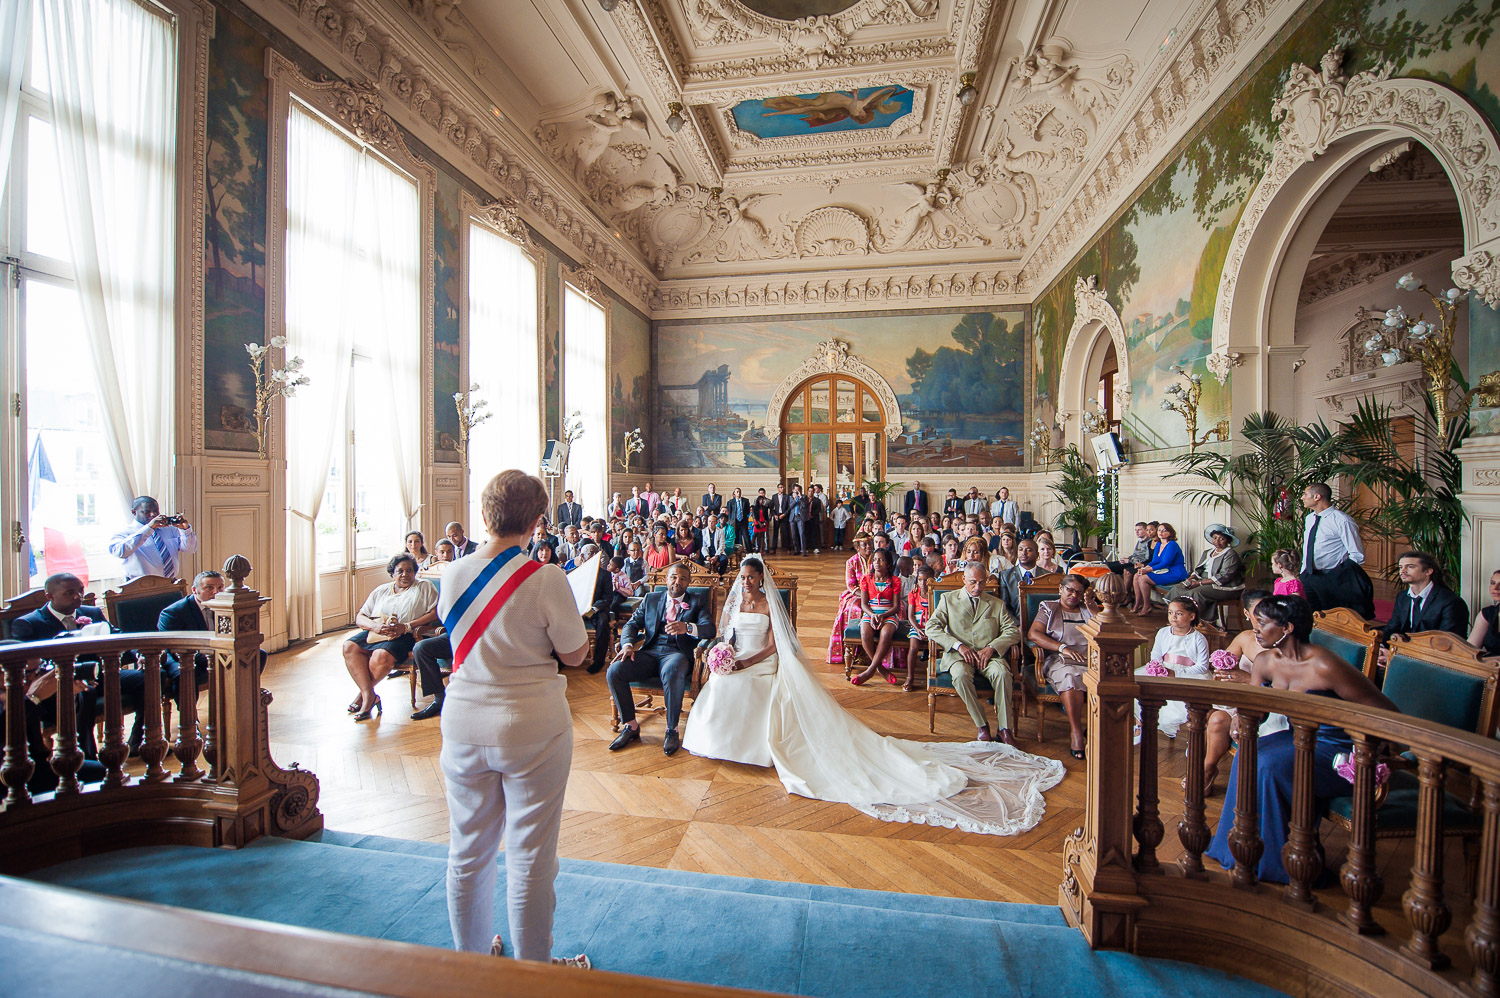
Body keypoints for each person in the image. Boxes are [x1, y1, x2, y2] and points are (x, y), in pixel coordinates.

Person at [682, 556, 1063, 833]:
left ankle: (760, 746)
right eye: (744, 578)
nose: (746, 583)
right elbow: (725, 634)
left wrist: (748, 662)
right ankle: (723, 741)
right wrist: (724, 655)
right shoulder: (734, 603)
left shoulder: (769, 603)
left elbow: (776, 645)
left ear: (760, 579)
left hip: (762, 663)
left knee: (747, 683)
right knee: (720, 684)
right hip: (737, 660)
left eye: (752, 577)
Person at [435, 470, 590, 967]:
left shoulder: (452, 572)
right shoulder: (546, 578)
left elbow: (462, 638)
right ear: (538, 522)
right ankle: (534, 974)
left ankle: (473, 964)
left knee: (468, 851)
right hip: (532, 727)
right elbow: (575, 654)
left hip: (462, 720)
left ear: (484, 515)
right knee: (529, 856)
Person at [1205, 595, 1396, 884]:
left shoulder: (1324, 665)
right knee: (1249, 752)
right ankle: (1241, 850)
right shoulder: (1265, 660)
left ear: (1288, 628)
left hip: (1336, 750)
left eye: (1264, 623)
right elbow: (1254, 710)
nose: (1255, 629)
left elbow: (1386, 711)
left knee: (1269, 762)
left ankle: (1286, 862)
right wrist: (1238, 719)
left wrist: (1374, 750)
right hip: (1299, 739)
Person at [11, 572, 147, 757]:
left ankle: (138, 740)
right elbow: (28, 666)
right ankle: (86, 754)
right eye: (69, 592)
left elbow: (118, 635)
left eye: (80, 591)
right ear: (49, 596)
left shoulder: (92, 613)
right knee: (85, 691)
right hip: (58, 685)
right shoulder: (29, 623)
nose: (78, 596)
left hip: (100, 675)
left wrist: (138, 654)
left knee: (150, 676)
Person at [607, 562, 714, 757]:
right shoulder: (651, 598)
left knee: (672, 670)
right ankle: (630, 726)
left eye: (683, 578)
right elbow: (631, 625)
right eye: (673, 577)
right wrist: (628, 645)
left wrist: (688, 628)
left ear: (689, 582)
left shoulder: (697, 601)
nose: (677, 582)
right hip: (650, 653)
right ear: (666, 579)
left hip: (677, 654)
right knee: (615, 671)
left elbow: (709, 629)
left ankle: (671, 729)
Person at [1196, 589, 1281, 798]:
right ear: (1246, 614)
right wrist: (1223, 674)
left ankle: (1208, 771)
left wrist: (1246, 679)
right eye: (1258, 612)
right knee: (1216, 719)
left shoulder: (1281, 643)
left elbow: (1281, 685)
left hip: (1266, 701)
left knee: (1220, 719)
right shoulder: (1244, 638)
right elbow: (1223, 667)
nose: (1264, 618)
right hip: (1238, 697)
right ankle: (1208, 769)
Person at [927, 564, 1022, 743]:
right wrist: (958, 646)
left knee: (1002, 674)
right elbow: (931, 628)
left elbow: (1013, 632)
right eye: (973, 582)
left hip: (990, 656)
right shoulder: (948, 599)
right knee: (960, 676)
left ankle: (1004, 728)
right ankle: (982, 724)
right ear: (964, 579)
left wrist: (992, 647)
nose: (978, 587)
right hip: (960, 656)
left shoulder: (997, 604)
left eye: (982, 583)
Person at [342, 553, 439, 721]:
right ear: (392, 573)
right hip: (378, 632)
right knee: (349, 646)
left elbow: (435, 613)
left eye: (409, 570)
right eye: (400, 571)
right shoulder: (381, 590)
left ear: (414, 572)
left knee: (381, 655)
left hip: (406, 634)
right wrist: (376, 626)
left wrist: (407, 626)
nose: (404, 574)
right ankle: (368, 695)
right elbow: (361, 617)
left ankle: (365, 698)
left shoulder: (424, 586)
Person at [1028, 574, 1094, 759]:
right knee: (1070, 677)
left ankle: (1096, 727)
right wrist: (1062, 648)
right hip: (1059, 658)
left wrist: (1093, 609)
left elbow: (1105, 632)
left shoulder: (1087, 609)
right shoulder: (1049, 607)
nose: (1074, 595)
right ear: (1060, 589)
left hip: (1089, 659)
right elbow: (1033, 634)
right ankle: (1076, 732)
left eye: (1079, 593)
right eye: (1070, 590)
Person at [1298, 482, 1375, 618]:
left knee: (1333, 618)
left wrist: (1338, 574)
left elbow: (1357, 555)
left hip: (1332, 577)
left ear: (1317, 497)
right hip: (1310, 576)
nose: (1302, 498)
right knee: (1312, 617)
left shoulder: (1342, 520)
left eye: (1305, 494)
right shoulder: (1310, 518)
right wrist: (1304, 572)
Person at [1138, 596, 1210, 739]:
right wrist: (1157, 667)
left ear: (1191, 616)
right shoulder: (1163, 632)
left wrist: (1176, 672)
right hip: (1164, 670)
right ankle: (1141, 726)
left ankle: (1193, 736)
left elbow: (1202, 666)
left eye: (1179, 613)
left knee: (1182, 705)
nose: (1173, 617)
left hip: (1187, 674)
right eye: (1170, 613)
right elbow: (1156, 654)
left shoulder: (1198, 639)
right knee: (1141, 690)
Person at [1379, 550, 1470, 660]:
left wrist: (1398, 656)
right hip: (1403, 654)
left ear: (1428, 571)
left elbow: (1446, 644)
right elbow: (1392, 627)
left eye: (1410, 567)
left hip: (1434, 659)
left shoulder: (1450, 602)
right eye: (1400, 567)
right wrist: (1381, 647)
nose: (1402, 571)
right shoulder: (1402, 597)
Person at [108, 496, 198, 581]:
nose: (153, 515)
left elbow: (190, 549)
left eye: (156, 511)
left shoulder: (169, 529)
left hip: (170, 583)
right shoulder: (124, 533)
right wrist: (149, 528)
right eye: (147, 512)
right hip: (140, 586)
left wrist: (184, 529)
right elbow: (121, 553)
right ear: (134, 512)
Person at [849, 549, 904, 686]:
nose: (877, 563)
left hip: (889, 614)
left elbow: (896, 607)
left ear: (888, 564)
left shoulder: (895, 581)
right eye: (875, 560)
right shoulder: (866, 579)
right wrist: (873, 615)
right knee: (865, 632)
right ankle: (880, 669)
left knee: (886, 633)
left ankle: (869, 671)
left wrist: (883, 615)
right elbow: (864, 604)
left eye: (881, 560)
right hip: (870, 613)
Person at [1167, 524, 1245, 620]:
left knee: (1197, 593)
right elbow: (1198, 570)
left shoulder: (1230, 554)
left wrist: (1199, 583)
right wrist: (1188, 580)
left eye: (1222, 539)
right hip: (1204, 582)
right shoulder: (1207, 552)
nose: (1217, 541)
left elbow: (1225, 576)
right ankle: (1178, 618)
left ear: (1228, 540)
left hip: (1226, 586)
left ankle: (1196, 621)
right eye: (1215, 538)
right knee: (1178, 588)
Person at [827, 533, 873, 665]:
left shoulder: (876, 559)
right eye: (865, 544)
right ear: (858, 547)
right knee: (854, 608)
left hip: (877, 594)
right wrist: (865, 595)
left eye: (870, 544)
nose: (868, 547)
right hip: (857, 594)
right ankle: (855, 650)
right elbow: (851, 585)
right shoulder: (851, 562)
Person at [1130, 522, 1186, 615]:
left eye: (1164, 531)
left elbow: (1165, 563)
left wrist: (1149, 570)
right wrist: (1146, 567)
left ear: (1170, 533)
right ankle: (1138, 602)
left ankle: (1147, 605)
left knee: (1143, 579)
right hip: (1163, 571)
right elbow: (1155, 560)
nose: (1161, 532)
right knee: (1137, 575)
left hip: (1174, 572)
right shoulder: (1159, 544)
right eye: (1159, 530)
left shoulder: (1172, 544)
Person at [997, 538, 1051, 620]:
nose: (1024, 553)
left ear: (1037, 554)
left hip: (1043, 623)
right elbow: (1004, 607)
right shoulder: (1006, 576)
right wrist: (1017, 625)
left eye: (1029, 550)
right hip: (1014, 624)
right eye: (1020, 550)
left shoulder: (1047, 576)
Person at [769, 482, 792, 553]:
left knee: (785, 532)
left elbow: (789, 507)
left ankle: (788, 548)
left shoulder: (787, 496)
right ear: (778, 488)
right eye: (781, 487)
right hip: (776, 515)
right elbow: (771, 507)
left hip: (784, 516)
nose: (782, 489)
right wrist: (774, 515)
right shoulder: (774, 496)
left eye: (783, 487)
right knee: (775, 532)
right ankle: (773, 548)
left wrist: (784, 514)